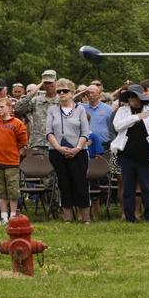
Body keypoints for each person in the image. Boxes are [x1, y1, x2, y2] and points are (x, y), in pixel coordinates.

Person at [111, 85, 149, 223]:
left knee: (147, 188)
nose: (132, 99)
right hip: (127, 154)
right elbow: (118, 126)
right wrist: (136, 117)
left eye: (134, 96)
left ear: (141, 98)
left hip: (146, 155)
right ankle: (130, 217)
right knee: (128, 188)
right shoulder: (122, 111)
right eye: (129, 96)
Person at [14, 69, 61, 212]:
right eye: (45, 83)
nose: (48, 86)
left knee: (57, 176)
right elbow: (18, 108)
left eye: (50, 83)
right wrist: (32, 92)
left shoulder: (61, 100)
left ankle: (57, 204)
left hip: (58, 143)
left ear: (56, 83)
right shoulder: (36, 101)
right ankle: (49, 206)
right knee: (45, 177)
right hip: (39, 142)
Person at [46, 78, 91, 224]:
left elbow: (85, 132)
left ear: (72, 93)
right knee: (63, 183)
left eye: (65, 91)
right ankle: (67, 218)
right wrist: (58, 147)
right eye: (59, 91)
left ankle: (85, 218)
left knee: (80, 183)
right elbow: (48, 132)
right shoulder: (52, 110)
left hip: (78, 151)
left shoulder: (80, 109)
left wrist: (77, 148)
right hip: (57, 151)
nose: (61, 94)